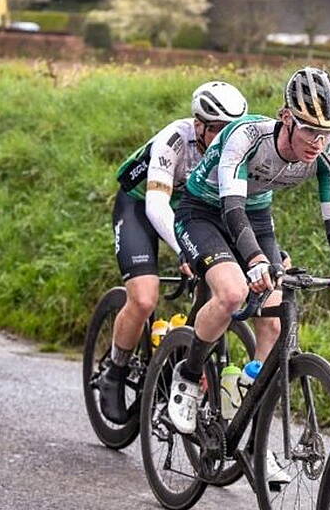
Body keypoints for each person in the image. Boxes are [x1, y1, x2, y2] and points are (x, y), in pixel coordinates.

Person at [167, 67, 330, 439]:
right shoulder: (247, 135)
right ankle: (188, 376)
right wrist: (254, 262)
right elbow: (231, 207)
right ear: (286, 117)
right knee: (233, 292)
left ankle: (245, 412)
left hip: (255, 213)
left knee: (273, 318)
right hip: (203, 210)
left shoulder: (328, 152)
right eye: (310, 130)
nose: (318, 142)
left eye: (328, 132)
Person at [95, 81, 249, 424]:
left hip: (195, 211)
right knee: (145, 298)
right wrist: (185, 250)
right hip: (141, 205)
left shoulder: (237, 148)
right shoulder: (175, 140)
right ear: (199, 125)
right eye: (218, 130)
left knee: (216, 291)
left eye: (232, 129)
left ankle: (176, 364)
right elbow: (156, 206)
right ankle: (115, 371)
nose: (226, 138)